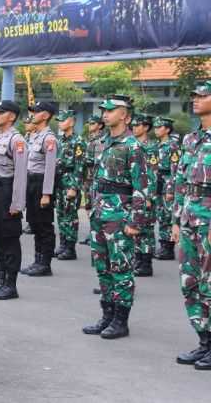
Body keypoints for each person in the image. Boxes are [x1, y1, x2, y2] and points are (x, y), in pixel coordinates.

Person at [82, 94, 148, 339]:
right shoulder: (104, 142)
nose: (105, 114)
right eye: (104, 110)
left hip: (120, 213)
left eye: (111, 110)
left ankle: (121, 320)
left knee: (120, 267)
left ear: (125, 115)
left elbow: (143, 186)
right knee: (102, 266)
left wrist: (135, 221)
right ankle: (107, 314)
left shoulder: (133, 146)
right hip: (101, 211)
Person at [171, 80, 211, 369]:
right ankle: (204, 340)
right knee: (190, 281)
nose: (196, 99)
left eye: (203, 95)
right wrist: (175, 220)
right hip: (188, 217)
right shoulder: (190, 139)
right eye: (194, 95)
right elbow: (180, 182)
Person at [0, 100, 28, 300]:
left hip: (8, 190)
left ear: (11, 116)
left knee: (10, 239)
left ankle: (11, 284)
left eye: (0, 113)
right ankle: (0, 279)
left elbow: (20, 175)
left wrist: (17, 204)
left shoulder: (17, 140)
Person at [21, 101, 58, 277]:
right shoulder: (34, 136)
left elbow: (50, 168)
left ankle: (45, 264)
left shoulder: (49, 139)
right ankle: (37, 260)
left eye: (36, 112)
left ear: (45, 115)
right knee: (35, 224)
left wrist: (46, 194)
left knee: (44, 226)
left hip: (41, 184)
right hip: (31, 181)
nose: (32, 115)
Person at [54, 110, 85, 261]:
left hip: (70, 180)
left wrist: (74, 187)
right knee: (61, 215)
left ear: (71, 122)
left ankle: (70, 248)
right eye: (59, 120)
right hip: (60, 180)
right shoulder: (60, 140)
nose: (60, 122)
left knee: (70, 215)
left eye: (63, 120)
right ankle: (63, 244)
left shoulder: (78, 141)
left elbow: (80, 167)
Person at [131, 113, 158, 276]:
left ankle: (146, 263)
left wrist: (149, 197)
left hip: (146, 192)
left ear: (146, 127)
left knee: (146, 228)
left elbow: (153, 174)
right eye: (133, 125)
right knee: (135, 225)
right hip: (134, 192)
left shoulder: (151, 147)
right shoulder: (132, 145)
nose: (134, 128)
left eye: (138, 125)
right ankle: (138, 259)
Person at [153, 116, 181, 260]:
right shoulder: (157, 146)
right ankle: (163, 245)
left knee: (168, 215)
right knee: (161, 215)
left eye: (159, 127)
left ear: (167, 130)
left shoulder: (173, 146)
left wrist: (170, 190)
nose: (156, 130)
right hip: (158, 183)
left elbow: (175, 170)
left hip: (167, 183)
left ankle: (168, 248)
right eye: (155, 127)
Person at [80, 114, 107, 245]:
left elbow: (97, 160)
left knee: (98, 208)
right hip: (88, 179)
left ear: (100, 125)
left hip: (96, 179)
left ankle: (98, 234)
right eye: (89, 124)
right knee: (89, 206)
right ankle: (92, 232)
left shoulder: (102, 140)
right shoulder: (90, 139)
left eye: (92, 123)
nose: (90, 126)